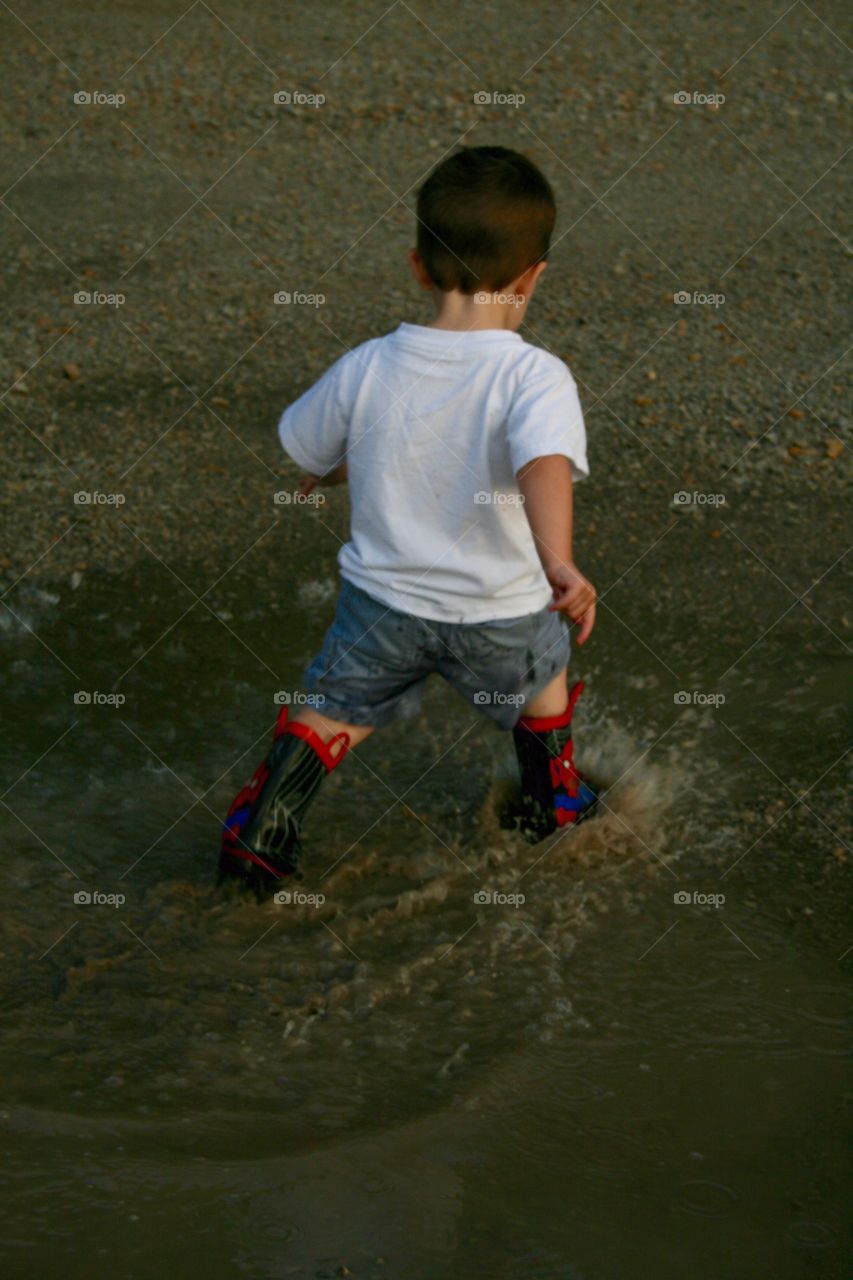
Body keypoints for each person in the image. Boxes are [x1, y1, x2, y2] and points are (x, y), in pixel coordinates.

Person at [219, 144, 598, 900]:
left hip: (382, 608)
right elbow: (542, 464)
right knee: (542, 672)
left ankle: (269, 823)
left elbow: (319, 445)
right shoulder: (532, 374)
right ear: (533, 277)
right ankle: (551, 796)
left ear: (418, 266)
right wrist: (559, 561)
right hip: (498, 613)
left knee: (334, 710)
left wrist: (329, 469)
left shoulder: (368, 364)